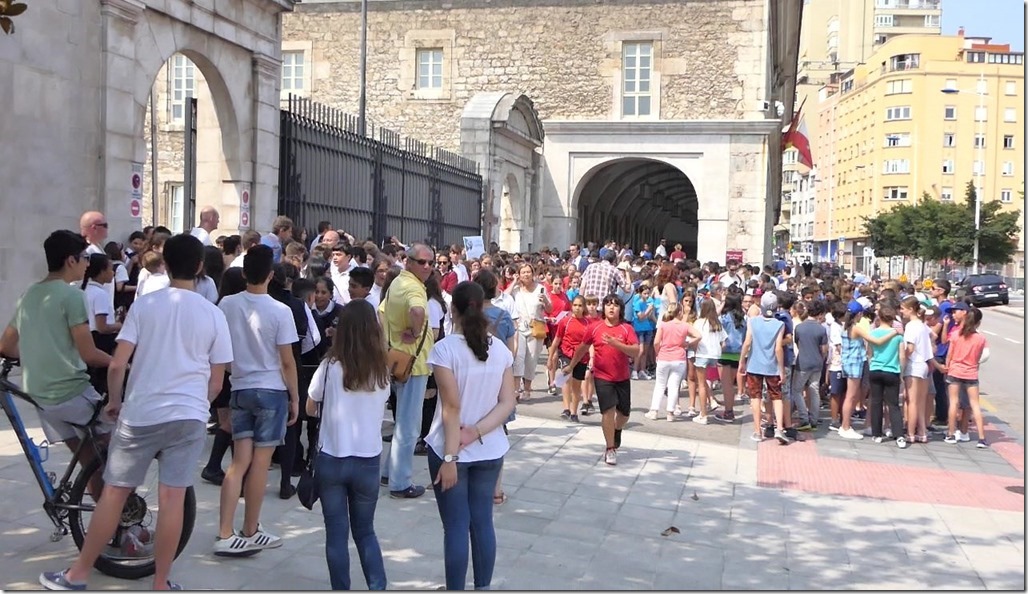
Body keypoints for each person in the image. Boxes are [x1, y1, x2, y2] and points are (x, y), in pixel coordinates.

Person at [40, 233, 233, 591]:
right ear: (200, 267)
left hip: (143, 412)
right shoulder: (214, 314)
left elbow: (118, 364)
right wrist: (199, 404)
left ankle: (77, 575)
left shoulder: (145, 305)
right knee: (173, 499)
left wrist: (115, 400)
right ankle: (160, 583)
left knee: (114, 492)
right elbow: (217, 380)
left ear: (166, 264)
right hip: (188, 414)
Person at [426, 281, 516, 591]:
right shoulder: (500, 349)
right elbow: (507, 403)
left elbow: (451, 407)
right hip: (490, 448)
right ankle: (483, 587)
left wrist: (451, 455)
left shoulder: (445, 350)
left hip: (450, 450)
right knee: (482, 523)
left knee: (455, 527)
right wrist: (477, 432)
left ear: (453, 309)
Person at [214, 245, 300, 556]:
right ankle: (250, 528)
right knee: (261, 464)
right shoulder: (281, 311)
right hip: (271, 390)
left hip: (239, 386)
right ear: (271, 275)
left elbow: (219, 348)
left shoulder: (227, 304)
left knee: (238, 463)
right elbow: (287, 361)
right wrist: (295, 397)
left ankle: (225, 531)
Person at [0, 231, 113, 464]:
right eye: (85, 258)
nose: (87, 264)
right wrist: (121, 363)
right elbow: (89, 354)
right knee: (119, 447)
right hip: (71, 392)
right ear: (71, 260)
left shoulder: (29, 293)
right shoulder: (73, 296)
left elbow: (6, 346)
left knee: (88, 461)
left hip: (40, 396)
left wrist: (38, 354)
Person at [306, 300, 390, 590]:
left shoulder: (329, 367)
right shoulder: (381, 371)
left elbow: (310, 406)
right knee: (365, 532)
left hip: (332, 458)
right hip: (367, 461)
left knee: (336, 534)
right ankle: (377, 586)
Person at [380, 243, 436, 499]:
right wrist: (414, 331)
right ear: (409, 262)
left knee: (402, 419)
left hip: (398, 359)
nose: (427, 266)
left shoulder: (397, 283)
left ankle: (388, 472)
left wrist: (390, 340)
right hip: (414, 363)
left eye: (430, 262)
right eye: (422, 261)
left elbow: (381, 312)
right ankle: (400, 483)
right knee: (409, 425)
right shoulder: (413, 287)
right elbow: (417, 310)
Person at [563, 293, 641, 465]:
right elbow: (582, 348)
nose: (611, 307)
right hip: (602, 376)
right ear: (603, 308)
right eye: (608, 304)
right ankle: (610, 448)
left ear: (621, 309)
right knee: (608, 411)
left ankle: (617, 429)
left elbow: (636, 351)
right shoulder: (595, 327)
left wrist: (616, 344)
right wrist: (571, 365)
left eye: (615, 305)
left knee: (624, 414)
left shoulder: (626, 328)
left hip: (622, 377)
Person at [942, 303, 989, 447]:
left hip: (955, 371)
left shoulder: (956, 335)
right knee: (975, 404)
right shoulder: (981, 339)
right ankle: (981, 438)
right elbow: (980, 357)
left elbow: (950, 355)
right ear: (978, 323)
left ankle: (951, 434)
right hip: (971, 373)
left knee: (954, 403)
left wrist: (947, 367)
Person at [646, 301, 700, 421]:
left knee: (660, 385)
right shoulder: (685, 325)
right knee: (674, 386)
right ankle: (670, 413)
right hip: (679, 358)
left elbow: (656, 342)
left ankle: (654, 411)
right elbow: (698, 335)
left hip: (664, 357)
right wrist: (687, 343)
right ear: (680, 312)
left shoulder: (663, 325)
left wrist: (657, 352)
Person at [867, 304, 907, 447]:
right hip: (892, 370)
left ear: (879, 317)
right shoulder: (898, 336)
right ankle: (899, 435)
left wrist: (872, 365)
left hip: (875, 369)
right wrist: (901, 372)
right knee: (893, 404)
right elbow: (902, 356)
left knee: (876, 402)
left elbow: (869, 353)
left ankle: (877, 434)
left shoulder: (872, 333)